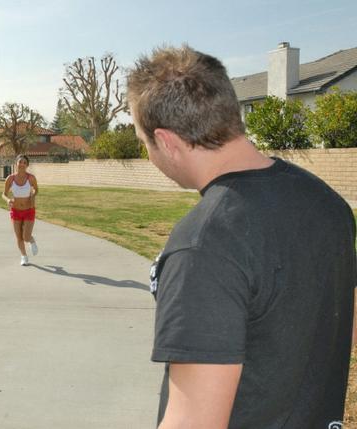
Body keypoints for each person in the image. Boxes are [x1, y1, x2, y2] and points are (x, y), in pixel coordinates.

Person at [127, 45, 356, 428]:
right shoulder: (329, 203)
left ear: (165, 141)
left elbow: (195, 422)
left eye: (143, 141)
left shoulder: (205, 243)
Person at [2, 154, 39, 266]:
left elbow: (36, 190)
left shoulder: (31, 178)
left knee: (26, 237)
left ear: (27, 165)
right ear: (16, 163)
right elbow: (3, 194)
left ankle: (31, 240)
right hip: (16, 211)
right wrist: (8, 200)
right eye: (20, 162)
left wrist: (33, 195)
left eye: (24, 162)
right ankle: (24, 256)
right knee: (19, 236)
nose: (22, 164)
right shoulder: (10, 178)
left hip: (29, 210)